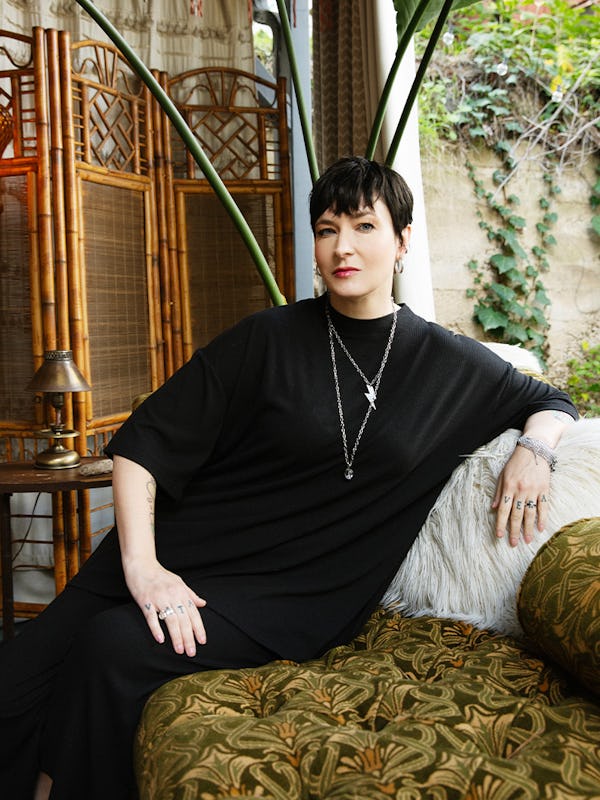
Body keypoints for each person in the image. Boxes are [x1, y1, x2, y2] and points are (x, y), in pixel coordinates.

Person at [0, 157, 577, 799]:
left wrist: (537, 451)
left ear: (404, 239)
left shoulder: (447, 361)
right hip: (165, 554)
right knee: (14, 686)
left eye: (364, 225)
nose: (343, 246)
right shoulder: (267, 338)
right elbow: (146, 440)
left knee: (111, 649)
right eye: (327, 229)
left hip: (291, 596)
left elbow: (551, 399)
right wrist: (143, 567)